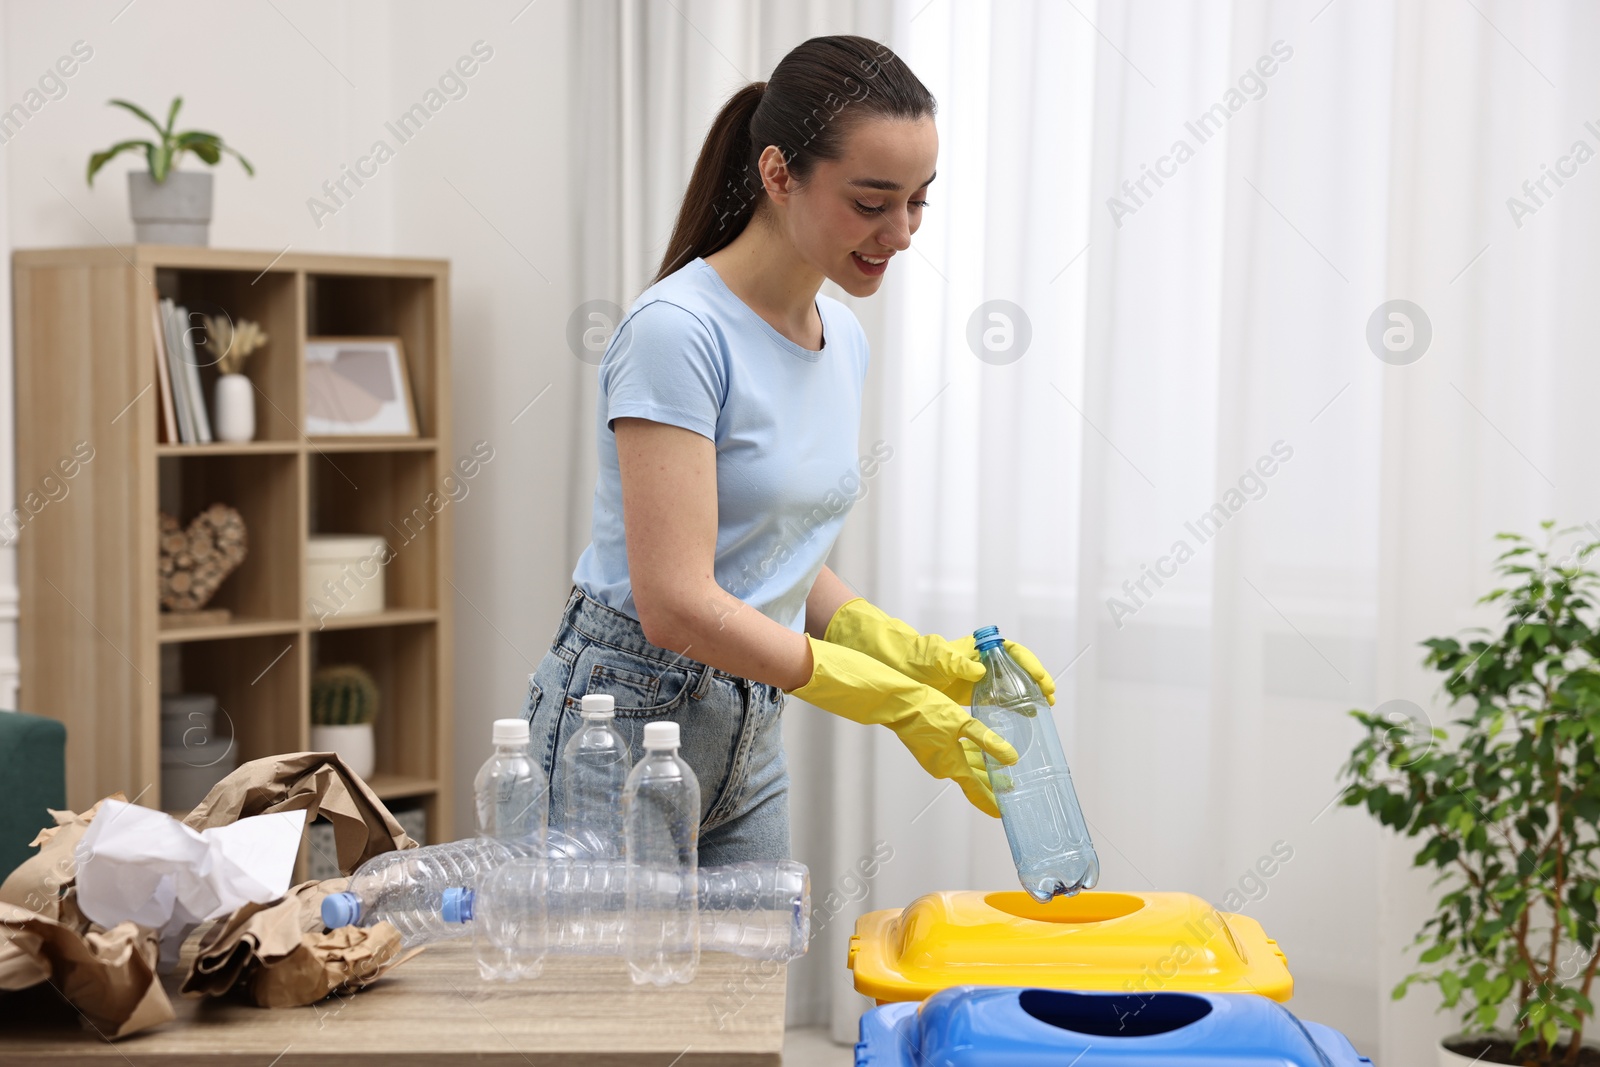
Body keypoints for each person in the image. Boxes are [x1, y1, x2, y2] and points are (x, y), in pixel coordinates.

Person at [522, 34, 1057, 867]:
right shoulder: (678, 333)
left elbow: (773, 556)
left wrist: (905, 652)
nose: (902, 232)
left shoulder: (839, 335)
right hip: (622, 720)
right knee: (622, 998)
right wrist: (885, 699)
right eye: (872, 201)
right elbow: (674, 603)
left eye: (919, 200)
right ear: (778, 174)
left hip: (750, 724)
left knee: (749, 993)